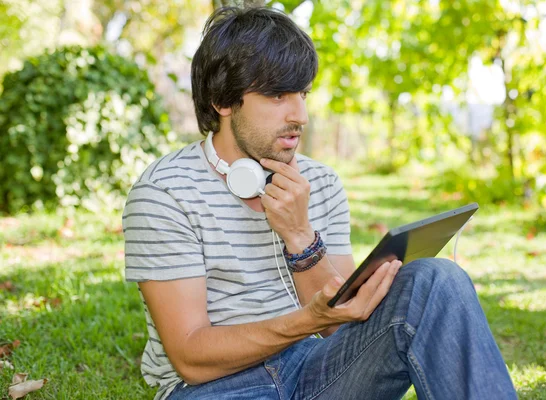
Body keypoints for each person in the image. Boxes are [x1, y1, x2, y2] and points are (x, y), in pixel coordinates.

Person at [123, 6, 518, 400]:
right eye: (278, 94)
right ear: (222, 101)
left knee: (438, 279)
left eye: (303, 93)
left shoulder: (321, 182)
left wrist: (300, 236)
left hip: (315, 367)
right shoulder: (165, 193)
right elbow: (190, 357)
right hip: (215, 388)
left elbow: (337, 328)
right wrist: (306, 318)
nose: (301, 115)